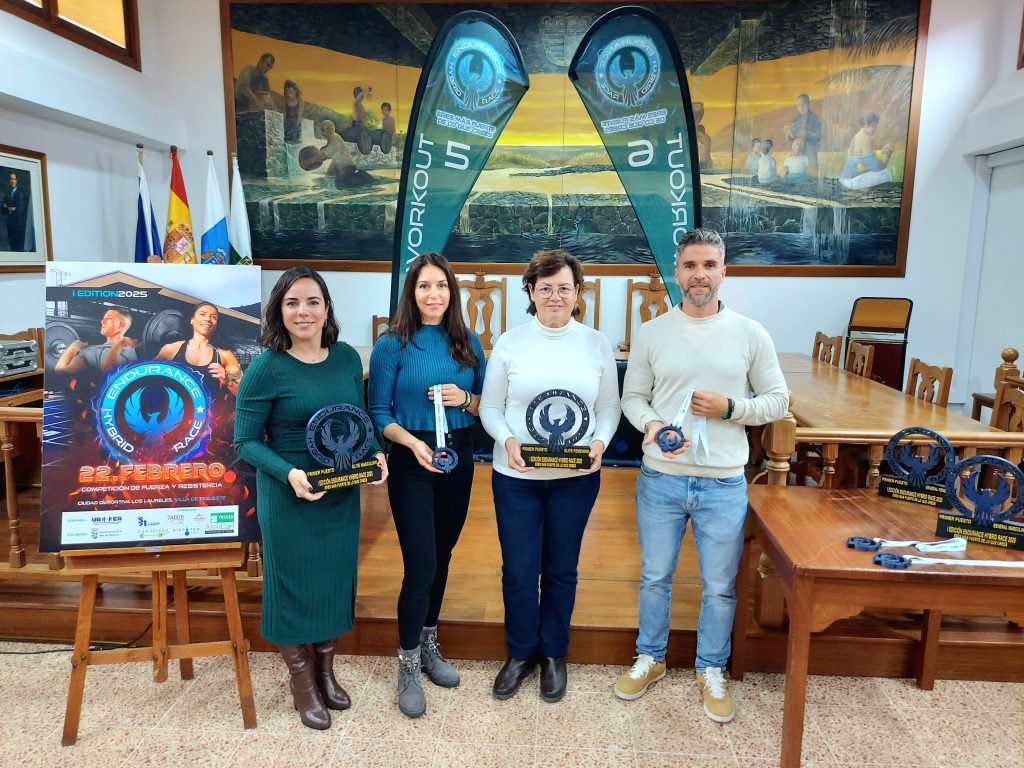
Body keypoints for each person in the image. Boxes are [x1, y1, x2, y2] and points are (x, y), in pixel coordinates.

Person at [614, 228, 788, 723]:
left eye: (709, 265)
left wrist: (730, 407)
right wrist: (652, 425)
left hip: (723, 483)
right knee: (654, 576)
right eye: (690, 266)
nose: (699, 275)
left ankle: (710, 667)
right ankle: (650, 657)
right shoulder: (653, 332)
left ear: (723, 271)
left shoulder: (751, 333)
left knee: (719, 586)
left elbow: (778, 400)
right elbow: (633, 397)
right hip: (662, 478)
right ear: (678, 272)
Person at [234, 266, 388, 730]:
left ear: (326, 309)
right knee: (292, 585)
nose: (303, 312)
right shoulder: (266, 367)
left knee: (333, 580)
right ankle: (302, 681)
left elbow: (357, 418)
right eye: (292, 303)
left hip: (339, 491)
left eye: (312, 302)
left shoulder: (344, 358)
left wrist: (375, 453)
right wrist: (289, 472)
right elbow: (245, 441)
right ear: (279, 311)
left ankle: (325, 669)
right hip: (290, 494)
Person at [479, 249, 620, 703]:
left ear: (578, 293)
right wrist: (507, 441)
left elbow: (608, 408)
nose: (555, 296)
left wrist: (598, 443)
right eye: (545, 288)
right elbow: (490, 408)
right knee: (519, 570)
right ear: (530, 293)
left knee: (561, 568)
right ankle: (520, 652)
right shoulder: (509, 343)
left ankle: (555, 653)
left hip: (575, 478)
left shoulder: (597, 343)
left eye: (564, 288)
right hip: (516, 476)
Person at [368, 252, 486, 718]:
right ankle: (407, 664)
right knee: (420, 563)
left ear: (451, 291)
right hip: (412, 457)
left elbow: (486, 405)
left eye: (440, 286)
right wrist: (411, 445)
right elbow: (380, 413)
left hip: (458, 458)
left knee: (443, 557)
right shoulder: (392, 344)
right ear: (411, 293)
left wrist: (469, 399)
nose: (433, 295)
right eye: (423, 287)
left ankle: (430, 642)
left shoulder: (467, 341)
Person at [156, 302, 242, 396]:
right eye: (202, 314)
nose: (208, 319)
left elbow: (242, 394)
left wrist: (227, 380)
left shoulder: (226, 356)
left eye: (213, 317)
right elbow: (148, 381)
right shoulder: (170, 350)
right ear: (192, 320)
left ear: (216, 324)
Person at [54, 308, 137, 374]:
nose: (102, 321)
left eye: (109, 318)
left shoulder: (129, 351)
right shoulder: (91, 352)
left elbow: (109, 370)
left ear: (121, 325)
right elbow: (61, 369)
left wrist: (120, 344)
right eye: (103, 318)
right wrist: (73, 347)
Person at [840, 112, 895, 188]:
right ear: (866, 124)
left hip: (845, 179)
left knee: (883, 173)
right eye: (873, 126)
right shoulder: (865, 138)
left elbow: (866, 161)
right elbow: (876, 167)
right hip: (852, 181)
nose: (875, 129)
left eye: (875, 126)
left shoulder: (857, 136)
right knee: (886, 174)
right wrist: (887, 156)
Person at [784, 94, 823, 172]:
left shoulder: (815, 118)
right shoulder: (797, 119)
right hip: (798, 153)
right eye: (798, 106)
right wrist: (789, 132)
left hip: (810, 152)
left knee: (811, 175)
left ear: (808, 104)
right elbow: (791, 136)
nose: (800, 108)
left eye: (803, 104)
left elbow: (819, 136)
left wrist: (807, 134)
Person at [1, 171, 29, 252]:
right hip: (10, 227)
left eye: (14, 179)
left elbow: (19, 211)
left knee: (18, 249)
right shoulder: (7, 194)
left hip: (19, 227)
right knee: (12, 248)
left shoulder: (21, 194)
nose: (12, 181)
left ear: (17, 180)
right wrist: (11, 208)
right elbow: (2, 210)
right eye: (11, 179)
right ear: (9, 180)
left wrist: (8, 208)